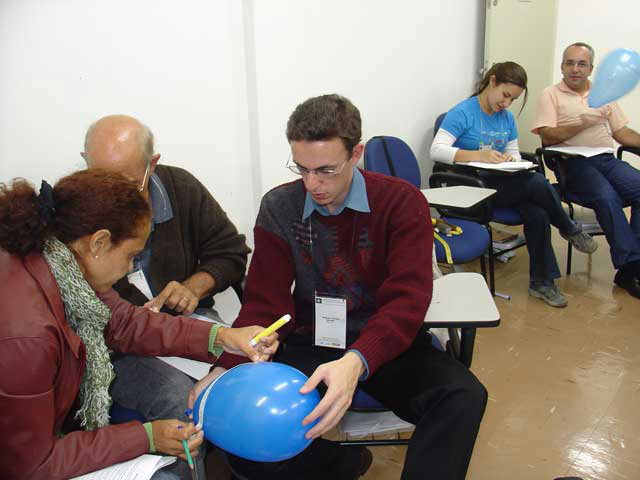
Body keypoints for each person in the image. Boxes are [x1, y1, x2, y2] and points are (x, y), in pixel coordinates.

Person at [189, 94, 488, 480]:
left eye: (326, 170)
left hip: (385, 342)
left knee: (463, 397)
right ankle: (341, 464)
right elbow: (264, 303)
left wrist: (356, 360)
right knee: (244, 439)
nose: (312, 183)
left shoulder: (400, 202)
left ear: (356, 154)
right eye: (302, 168)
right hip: (310, 342)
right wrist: (227, 365)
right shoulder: (280, 206)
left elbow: (408, 300)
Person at [0, 170, 277, 480]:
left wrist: (223, 336)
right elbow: (33, 465)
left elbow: (124, 322)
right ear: (99, 242)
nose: (132, 266)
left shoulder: (62, 265)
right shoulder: (28, 337)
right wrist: (146, 438)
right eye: (132, 254)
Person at [81, 114, 252, 474]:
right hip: (119, 347)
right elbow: (113, 321)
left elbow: (231, 252)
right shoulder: (77, 214)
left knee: (240, 380)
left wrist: (194, 286)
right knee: (180, 401)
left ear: (152, 164)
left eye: (127, 183)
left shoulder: (181, 188)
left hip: (186, 323)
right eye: (99, 179)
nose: (112, 196)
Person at [430, 61, 598, 308]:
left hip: (501, 184)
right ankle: (569, 228)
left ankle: (542, 283)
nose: (507, 104)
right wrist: (478, 155)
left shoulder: (506, 118)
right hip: (471, 188)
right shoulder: (463, 112)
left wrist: (511, 160)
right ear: (492, 82)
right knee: (538, 184)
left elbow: (515, 153)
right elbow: (437, 150)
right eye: (505, 95)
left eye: (513, 100)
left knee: (537, 210)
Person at [532, 42, 640, 299]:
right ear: (562, 66)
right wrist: (582, 122)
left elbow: (622, 133)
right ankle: (630, 268)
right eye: (570, 63)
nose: (575, 69)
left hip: (605, 159)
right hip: (572, 162)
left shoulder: (605, 93)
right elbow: (548, 137)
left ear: (591, 68)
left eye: (582, 64)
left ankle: (635, 262)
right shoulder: (551, 94)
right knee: (606, 197)